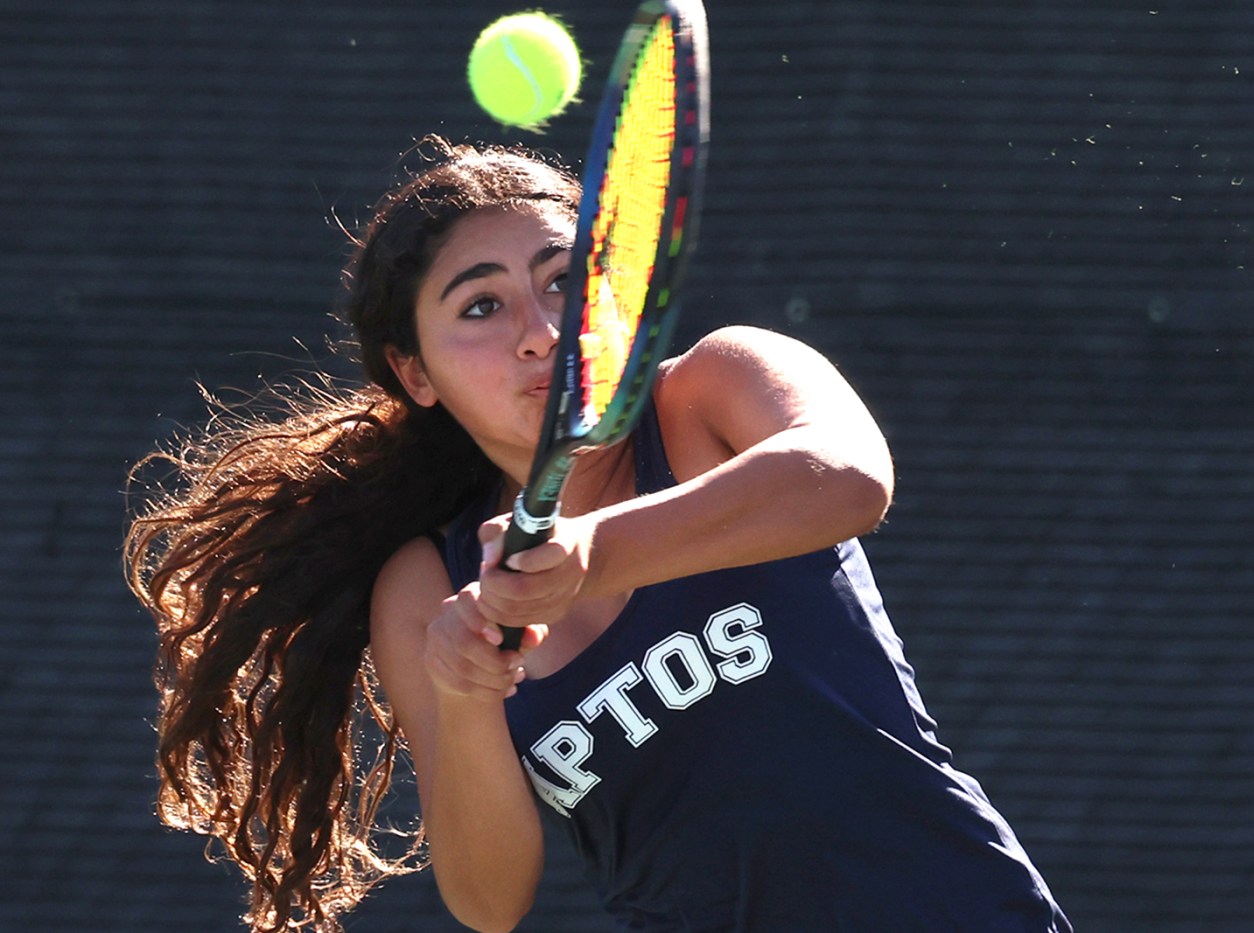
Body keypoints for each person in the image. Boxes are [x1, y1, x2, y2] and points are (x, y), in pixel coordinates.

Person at [125, 135, 1072, 933]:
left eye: (564, 279)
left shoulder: (712, 389)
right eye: (481, 306)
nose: (542, 329)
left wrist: (593, 555)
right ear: (416, 375)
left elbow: (850, 477)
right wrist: (464, 692)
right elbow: (488, 899)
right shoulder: (424, 585)